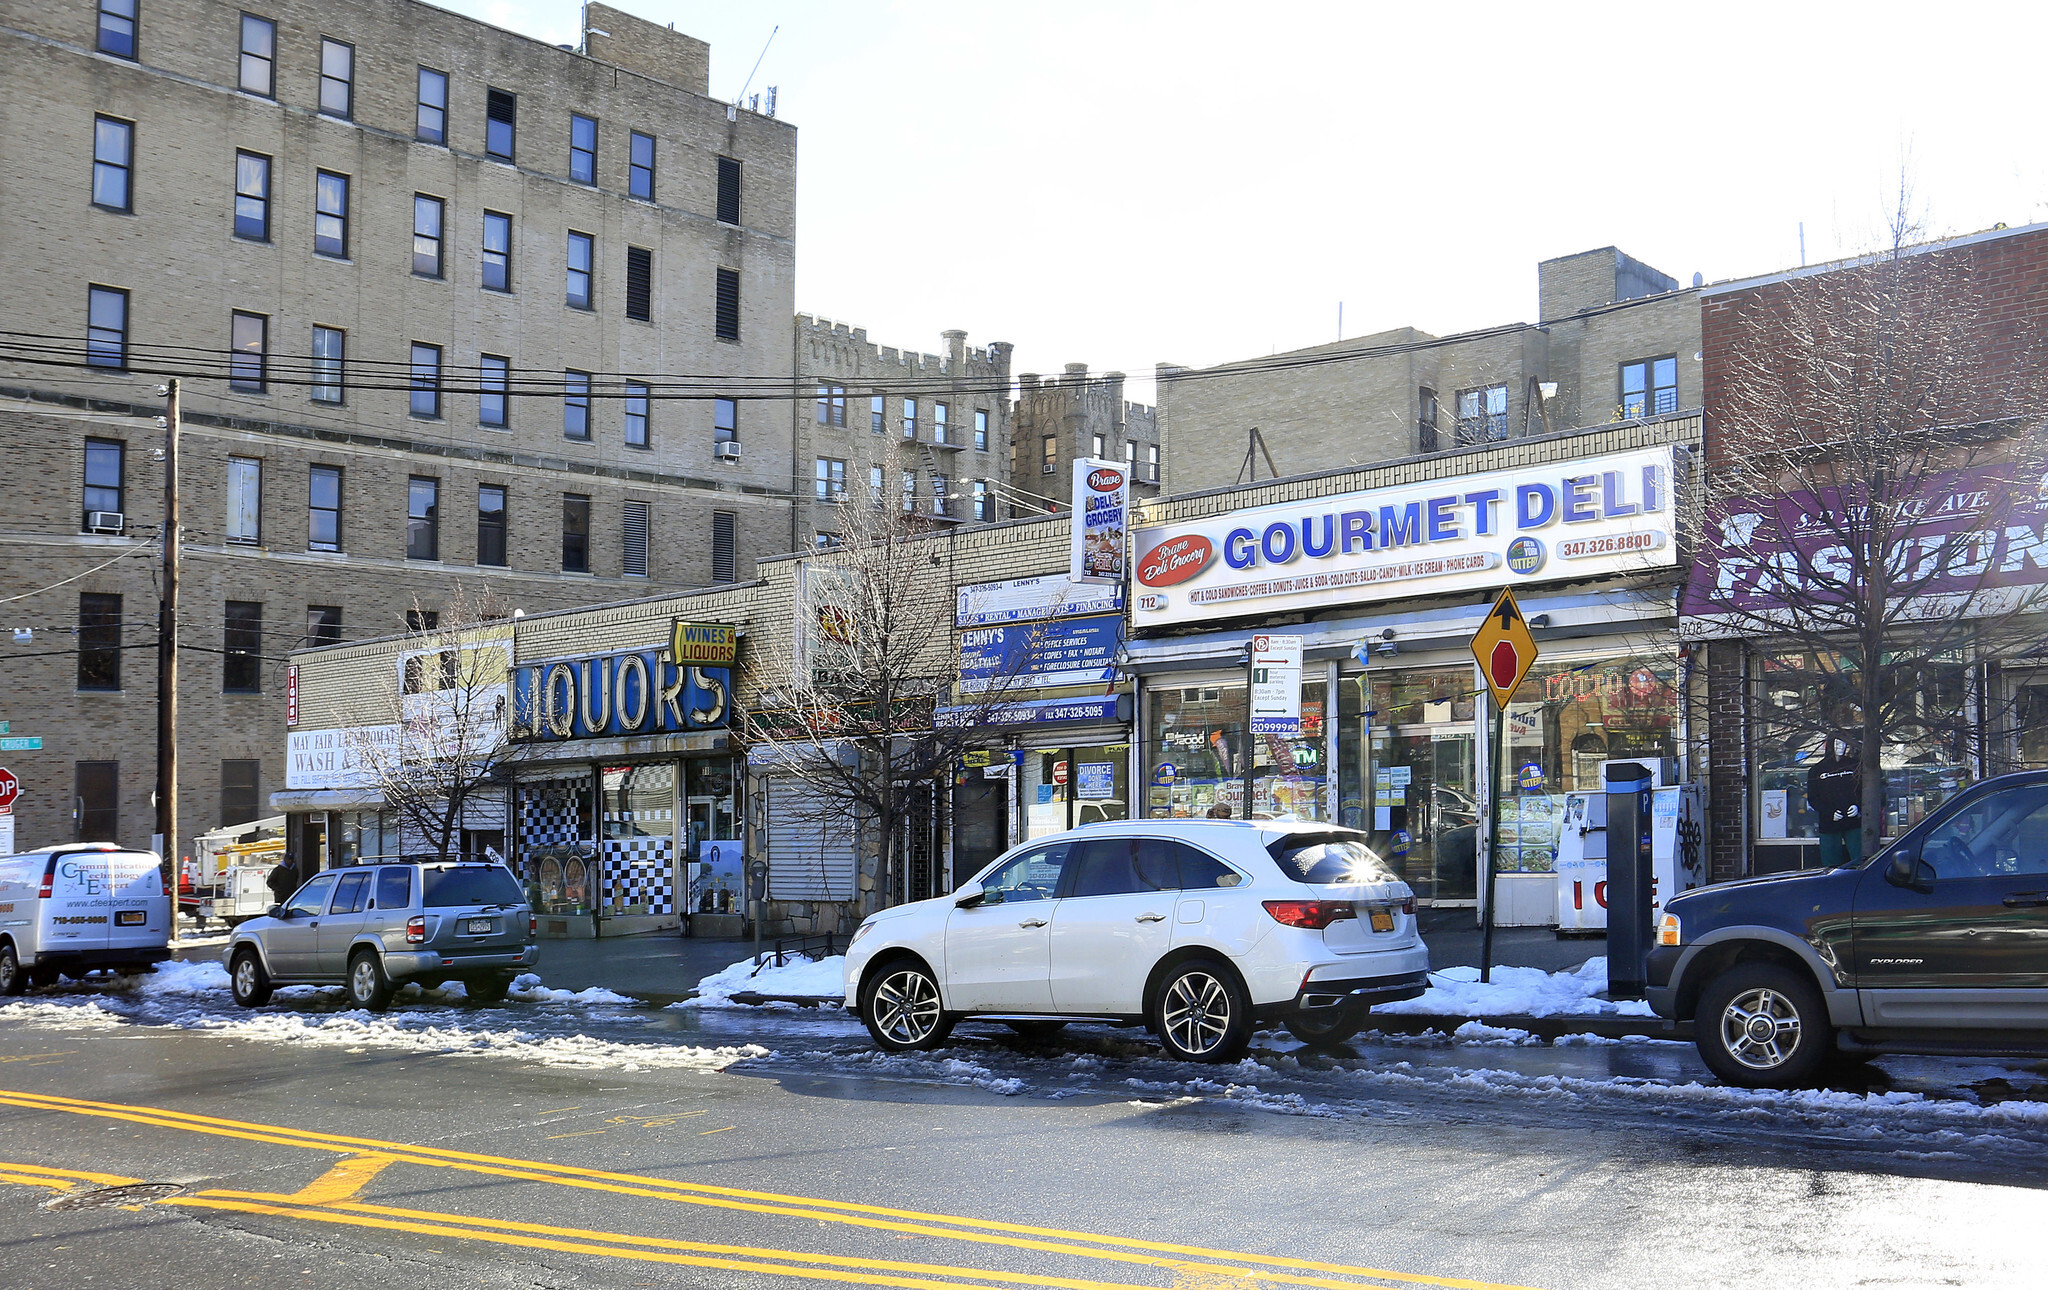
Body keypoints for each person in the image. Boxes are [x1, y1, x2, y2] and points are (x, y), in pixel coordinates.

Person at [1808, 737, 1864, 866]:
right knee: (1830, 863)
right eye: (1837, 743)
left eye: (1844, 743)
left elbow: (1865, 791)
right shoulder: (1817, 770)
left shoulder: (1855, 766)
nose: (1841, 747)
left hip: (1853, 822)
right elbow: (1813, 798)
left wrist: (1858, 806)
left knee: (1860, 860)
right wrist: (1829, 812)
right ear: (1830, 745)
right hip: (1829, 824)